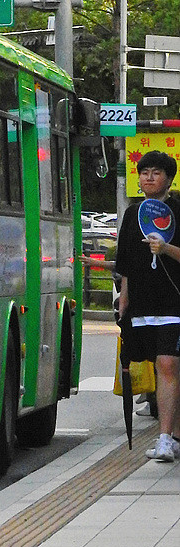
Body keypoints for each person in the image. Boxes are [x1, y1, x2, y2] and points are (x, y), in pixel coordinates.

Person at [115, 149, 180, 462]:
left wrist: (165, 247)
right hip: (142, 304)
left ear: (168, 178)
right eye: (144, 172)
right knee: (162, 366)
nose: (149, 177)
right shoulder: (132, 214)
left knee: (167, 364)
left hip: (174, 301)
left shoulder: (179, 210)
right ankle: (175, 433)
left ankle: (164, 438)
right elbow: (125, 262)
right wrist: (124, 296)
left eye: (156, 172)